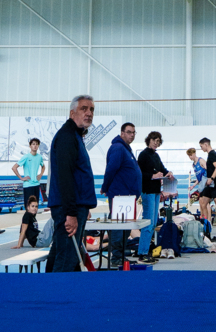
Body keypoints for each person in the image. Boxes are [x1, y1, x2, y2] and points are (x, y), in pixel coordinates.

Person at [46, 94, 98, 272]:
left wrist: (84, 206)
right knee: (67, 258)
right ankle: (57, 289)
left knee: (61, 254)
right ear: (72, 113)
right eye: (84, 109)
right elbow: (65, 177)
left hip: (74, 206)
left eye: (91, 109)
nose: (89, 113)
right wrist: (71, 213)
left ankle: (47, 286)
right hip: (68, 208)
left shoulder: (74, 135)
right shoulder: (67, 137)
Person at [101, 122, 142, 267]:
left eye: (134, 132)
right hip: (119, 196)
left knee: (125, 228)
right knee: (119, 228)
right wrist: (105, 187)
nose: (132, 135)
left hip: (127, 197)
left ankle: (121, 256)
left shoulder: (126, 149)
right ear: (122, 133)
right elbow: (110, 169)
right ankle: (116, 258)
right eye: (129, 132)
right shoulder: (118, 148)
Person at [137, 131, 175, 261]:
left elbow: (162, 169)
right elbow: (139, 173)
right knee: (148, 223)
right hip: (147, 191)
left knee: (153, 223)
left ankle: (145, 250)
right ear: (149, 140)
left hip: (156, 192)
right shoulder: (143, 155)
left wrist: (168, 173)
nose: (156, 143)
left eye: (158, 141)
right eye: (154, 140)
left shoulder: (156, 155)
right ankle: (142, 252)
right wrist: (152, 176)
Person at [12, 137, 45, 206]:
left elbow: (43, 166)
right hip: (28, 185)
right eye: (33, 144)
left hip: (36, 184)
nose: (35, 146)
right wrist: (21, 178)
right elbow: (14, 168)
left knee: (35, 206)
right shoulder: (26, 157)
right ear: (30, 146)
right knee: (29, 206)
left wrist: (41, 174)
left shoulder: (39, 157)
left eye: (37, 144)